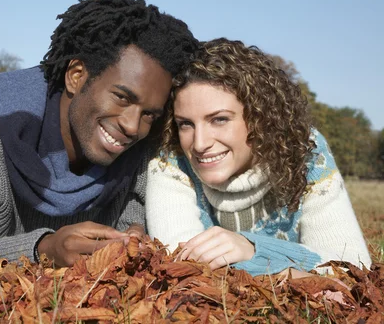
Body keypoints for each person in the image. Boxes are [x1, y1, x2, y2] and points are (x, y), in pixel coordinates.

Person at [0, 0, 199, 266]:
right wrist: (42, 249)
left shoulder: (145, 142)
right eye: (122, 97)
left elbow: (141, 221)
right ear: (76, 76)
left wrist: (137, 237)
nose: (132, 126)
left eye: (149, 114)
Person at [146, 38, 372, 277]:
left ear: (260, 117)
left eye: (219, 119)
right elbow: (183, 268)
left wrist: (254, 250)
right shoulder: (170, 162)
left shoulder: (307, 153)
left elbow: (351, 271)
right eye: (186, 124)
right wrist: (294, 271)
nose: (200, 143)